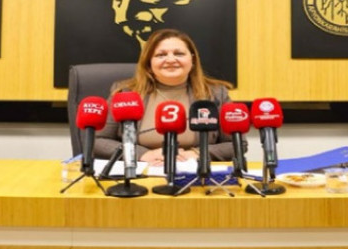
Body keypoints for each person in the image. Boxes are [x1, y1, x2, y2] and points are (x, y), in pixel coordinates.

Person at [94, 28, 243, 165]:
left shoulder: (215, 94)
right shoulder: (126, 93)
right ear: (149, 63)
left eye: (179, 54)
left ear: (192, 60)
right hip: (142, 175)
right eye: (161, 55)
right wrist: (142, 154)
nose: (171, 60)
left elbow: (238, 144)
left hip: (196, 173)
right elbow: (98, 141)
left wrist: (197, 153)